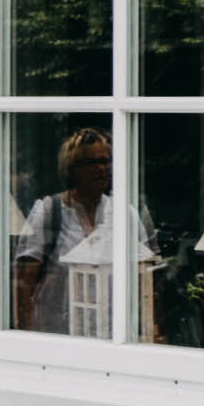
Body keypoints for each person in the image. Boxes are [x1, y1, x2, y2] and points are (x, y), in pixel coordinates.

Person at [13, 123, 125, 338]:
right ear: (71, 168)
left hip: (113, 331)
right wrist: (26, 334)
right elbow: (24, 282)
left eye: (105, 161)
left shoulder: (122, 213)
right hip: (58, 331)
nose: (100, 168)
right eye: (90, 162)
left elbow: (146, 277)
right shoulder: (49, 211)